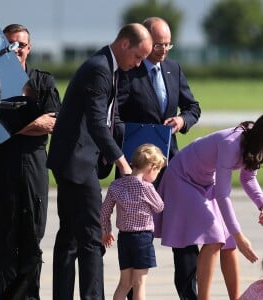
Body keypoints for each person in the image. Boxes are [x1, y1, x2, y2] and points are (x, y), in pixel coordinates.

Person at [47, 23, 153, 300]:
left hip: (75, 159)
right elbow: (96, 121)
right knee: (92, 235)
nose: (138, 63)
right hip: (77, 160)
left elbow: (110, 117)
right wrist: (122, 162)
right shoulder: (99, 68)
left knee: (70, 235)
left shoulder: (111, 67)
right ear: (124, 45)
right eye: (138, 57)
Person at [118, 17, 201, 299]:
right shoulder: (128, 71)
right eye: (158, 45)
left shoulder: (173, 69)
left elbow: (193, 107)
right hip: (137, 167)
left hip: (172, 165)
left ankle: (189, 294)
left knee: (185, 234)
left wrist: (181, 120)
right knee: (136, 235)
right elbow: (113, 114)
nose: (164, 50)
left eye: (168, 44)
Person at [0, 24, 61, 299]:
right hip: (2, 170)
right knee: (4, 240)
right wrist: (31, 125)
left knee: (32, 238)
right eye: (10, 45)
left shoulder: (43, 82)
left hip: (33, 167)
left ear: (29, 48)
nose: (16, 49)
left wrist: (13, 130)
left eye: (21, 44)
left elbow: (52, 122)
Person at [155, 115, 263, 300]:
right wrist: (240, 236)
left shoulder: (255, 145)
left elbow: (248, 178)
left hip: (204, 181)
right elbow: (222, 195)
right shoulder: (231, 144)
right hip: (182, 177)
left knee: (228, 242)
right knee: (215, 237)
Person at [101, 144, 166, 300]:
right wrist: (151, 189)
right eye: (158, 171)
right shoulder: (146, 187)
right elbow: (159, 207)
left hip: (124, 238)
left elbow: (104, 212)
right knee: (139, 283)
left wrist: (106, 231)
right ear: (151, 168)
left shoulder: (116, 185)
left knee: (125, 283)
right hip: (142, 238)